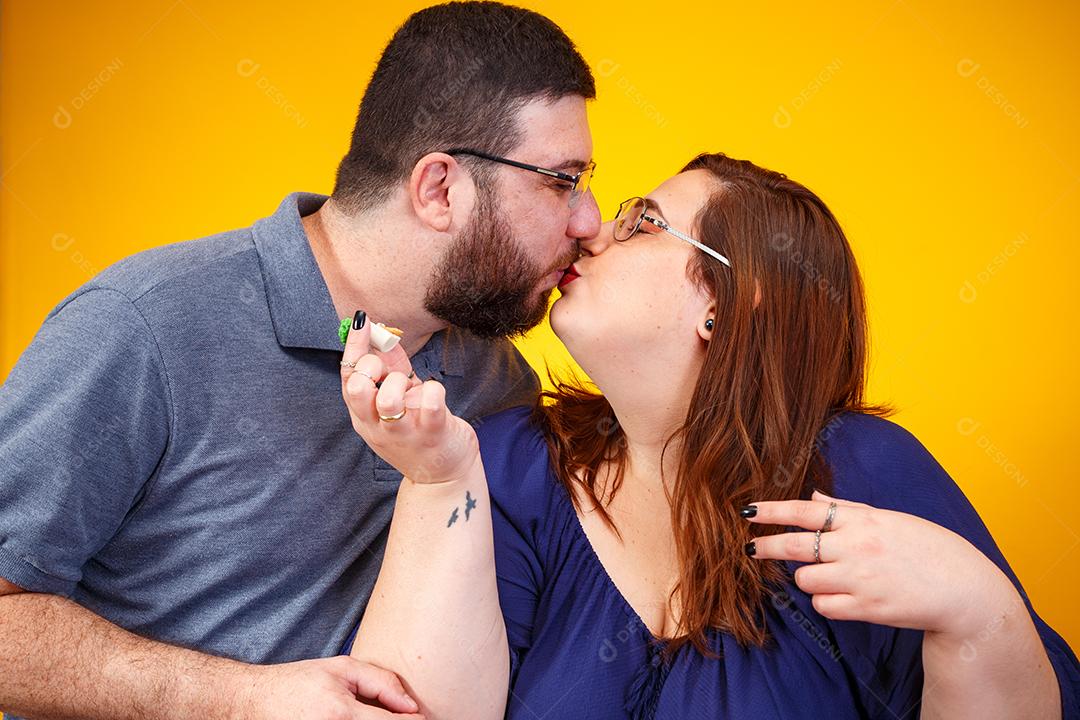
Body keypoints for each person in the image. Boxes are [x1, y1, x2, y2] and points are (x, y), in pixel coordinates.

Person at [0, 3, 599, 718]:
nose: (588, 221)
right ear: (440, 189)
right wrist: (239, 701)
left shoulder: (497, 382)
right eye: (560, 182)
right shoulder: (146, 326)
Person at [339, 152, 1080, 719]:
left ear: (724, 305)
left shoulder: (862, 471)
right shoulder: (509, 465)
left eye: (644, 222)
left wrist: (981, 609)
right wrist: (436, 479)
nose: (592, 230)